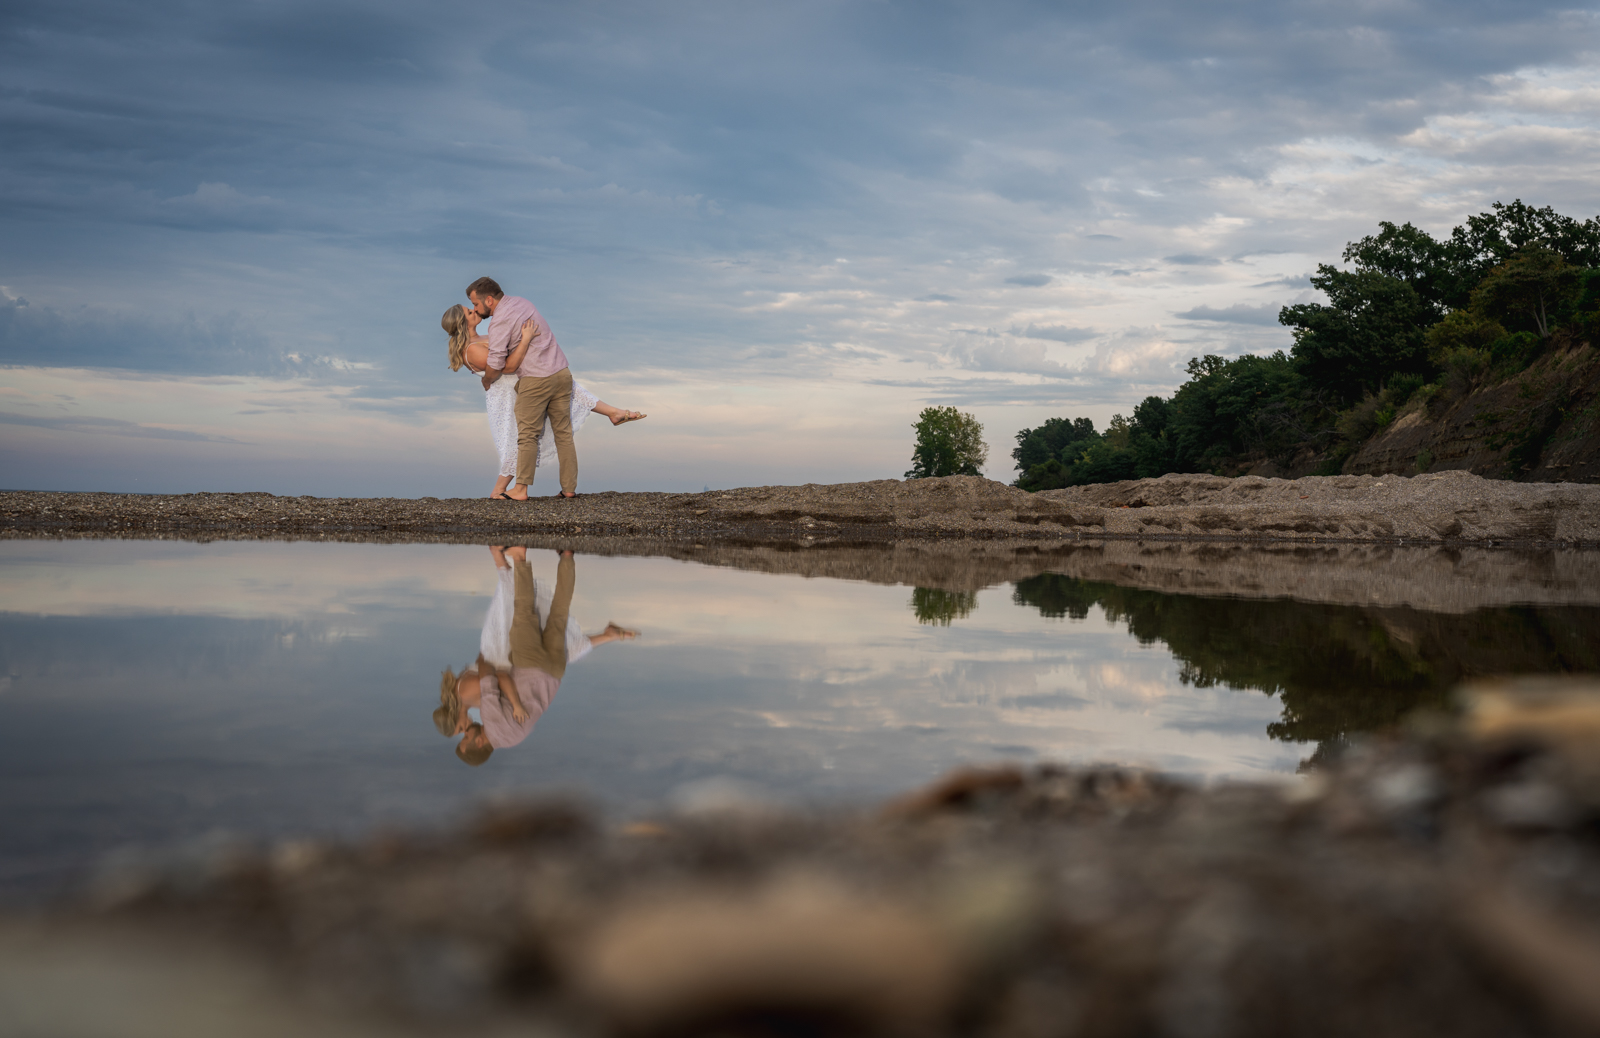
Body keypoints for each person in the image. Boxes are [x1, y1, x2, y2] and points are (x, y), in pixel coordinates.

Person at [434, 546, 639, 766]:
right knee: (523, 611)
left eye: (461, 731)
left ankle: (567, 556)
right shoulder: (489, 721)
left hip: (554, 673)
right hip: (528, 664)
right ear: (480, 742)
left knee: (559, 612)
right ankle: (520, 556)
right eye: (466, 736)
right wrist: (513, 700)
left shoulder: (512, 740)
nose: (465, 731)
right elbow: (496, 675)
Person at [442, 304, 646, 500]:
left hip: (526, 381)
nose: (475, 310)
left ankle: (613, 412)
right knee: (517, 440)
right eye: (469, 312)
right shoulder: (471, 349)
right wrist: (525, 340)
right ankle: (499, 489)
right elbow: (504, 367)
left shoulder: (484, 337)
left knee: (568, 385)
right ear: (462, 323)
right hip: (507, 394)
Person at [468, 277, 585, 500]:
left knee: (528, 436)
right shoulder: (523, 303)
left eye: (475, 304)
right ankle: (569, 489)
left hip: (536, 380)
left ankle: (520, 490)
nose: (475, 308)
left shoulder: (499, 321)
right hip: (562, 372)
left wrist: (487, 381)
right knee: (564, 434)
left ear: (489, 300)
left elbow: (497, 364)